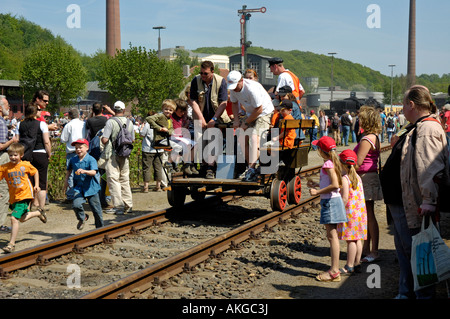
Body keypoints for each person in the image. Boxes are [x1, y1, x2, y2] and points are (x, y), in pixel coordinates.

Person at [380, 85, 449, 299]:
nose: (402, 110)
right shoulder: (416, 126)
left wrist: (428, 200)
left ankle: (423, 296)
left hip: (415, 204)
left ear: (412, 104)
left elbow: (429, 167)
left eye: (403, 104)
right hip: (403, 202)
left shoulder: (427, 129)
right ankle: (406, 292)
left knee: (419, 254)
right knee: (407, 252)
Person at [307, 136, 347, 282]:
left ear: (321, 151)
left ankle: (334, 271)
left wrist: (317, 192)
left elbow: (336, 185)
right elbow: (332, 184)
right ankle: (334, 270)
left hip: (330, 203)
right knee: (332, 237)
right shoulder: (332, 162)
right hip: (332, 201)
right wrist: (317, 185)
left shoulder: (328, 165)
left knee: (332, 237)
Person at [227, 70, 274, 182]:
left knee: (254, 138)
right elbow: (234, 103)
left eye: (236, 86)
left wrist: (245, 123)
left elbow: (259, 109)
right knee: (242, 138)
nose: (234, 89)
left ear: (241, 81)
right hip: (251, 113)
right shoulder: (233, 88)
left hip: (264, 112)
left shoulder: (252, 89)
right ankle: (251, 168)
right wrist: (237, 120)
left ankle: (252, 169)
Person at [1, 143, 47, 253]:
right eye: (11, 155)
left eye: (15, 155)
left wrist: (36, 185)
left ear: (21, 155)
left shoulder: (25, 165)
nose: (13, 157)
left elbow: (35, 171)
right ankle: (38, 213)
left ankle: (11, 244)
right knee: (21, 219)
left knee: (13, 218)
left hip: (25, 195)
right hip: (14, 197)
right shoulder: (5, 167)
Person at [189, 61, 230, 178]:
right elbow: (193, 101)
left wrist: (214, 119)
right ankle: (203, 166)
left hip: (217, 116)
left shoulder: (221, 81)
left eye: (205, 73)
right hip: (200, 115)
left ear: (212, 72)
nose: (203, 76)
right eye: (201, 73)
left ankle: (210, 168)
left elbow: (223, 102)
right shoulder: (195, 81)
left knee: (213, 140)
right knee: (201, 141)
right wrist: (201, 118)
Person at [353, 105, 383, 263]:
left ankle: (374, 251)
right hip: (370, 176)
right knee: (368, 215)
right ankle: (367, 248)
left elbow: (357, 163)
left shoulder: (366, 139)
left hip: (365, 177)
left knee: (369, 216)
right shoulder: (375, 137)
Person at [101, 101, 134, 215]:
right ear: (124, 110)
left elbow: (105, 139)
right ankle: (128, 205)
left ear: (114, 110)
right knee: (125, 179)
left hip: (112, 154)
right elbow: (132, 139)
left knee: (114, 179)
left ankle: (118, 206)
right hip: (125, 154)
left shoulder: (110, 122)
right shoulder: (129, 122)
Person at [337, 149, 367, 275]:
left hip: (350, 213)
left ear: (342, 164)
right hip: (360, 213)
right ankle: (357, 263)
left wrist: (339, 210)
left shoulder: (345, 179)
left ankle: (349, 266)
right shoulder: (358, 178)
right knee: (358, 239)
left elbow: (344, 198)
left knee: (351, 241)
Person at [17, 103, 51, 211]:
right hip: (40, 153)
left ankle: (27, 206)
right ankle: (41, 208)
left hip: (26, 154)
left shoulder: (19, 124)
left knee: (28, 181)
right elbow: (46, 142)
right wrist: (49, 154)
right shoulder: (41, 124)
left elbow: (18, 141)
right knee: (41, 182)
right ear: (35, 112)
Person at [64, 138, 103, 230]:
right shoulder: (73, 160)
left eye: (80, 147)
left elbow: (94, 172)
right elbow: (69, 170)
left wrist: (84, 171)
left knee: (97, 211)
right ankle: (82, 218)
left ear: (86, 148)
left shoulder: (91, 159)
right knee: (76, 205)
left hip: (91, 188)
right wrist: (66, 182)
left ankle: (100, 229)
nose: (78, 150)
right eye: (76, 148)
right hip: (79, 187)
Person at [85, 102, 109, 209]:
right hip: (104, 148)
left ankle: (93, 196)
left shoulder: (90, 120)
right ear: (102, 110)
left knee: (94, 173)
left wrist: (91, 114)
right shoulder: (106, 120)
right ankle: (103, 198)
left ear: (93, 111)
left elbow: (86, 126)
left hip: (94, 148)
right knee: (104, 174)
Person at [0, 95, 17, 234]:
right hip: (2, 158)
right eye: (6, 105)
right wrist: (13, 140)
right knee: (3, 191)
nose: (9, 107)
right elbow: (0, 146)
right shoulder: (0, 122)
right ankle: (0, 223)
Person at [60, 108, 86, 202]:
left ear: (69, 116)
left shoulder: (69, 125)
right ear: (78, 115)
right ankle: (82, 194)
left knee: (70, 174)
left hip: (72, 151)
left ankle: (71, 195)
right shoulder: (84, 124)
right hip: (83, 151)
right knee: (82, 172)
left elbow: (63, 139)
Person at [140, 111, 167, 192]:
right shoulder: (162, 124)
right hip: (159, 149)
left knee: (146, 168)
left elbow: (142, 134)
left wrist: (141, 127)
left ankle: (146, 187)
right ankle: (158, 186)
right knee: (158, 167)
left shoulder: (148, 124)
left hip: (148, 149)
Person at [171, 99, 198, 175]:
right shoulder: (171, 117)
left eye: (184, 112)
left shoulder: (183, 118)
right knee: (186, 144)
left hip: (181, 137)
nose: (182, 113)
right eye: (181, 111)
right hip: (174, 137)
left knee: (195, 144)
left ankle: (189, 164)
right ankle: (186, 164)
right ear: (175, 110)